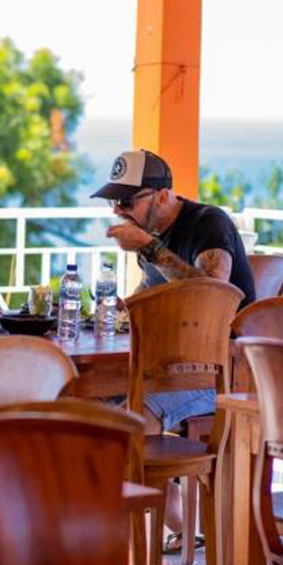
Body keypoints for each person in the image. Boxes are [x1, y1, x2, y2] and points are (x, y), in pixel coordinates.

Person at [95, 148, 255, 433]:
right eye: (114, 202)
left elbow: (213, 296)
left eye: (127, 201)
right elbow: (151, 290)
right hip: (170, 362)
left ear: (162, 196)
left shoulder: (208, 223)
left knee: (124, 424)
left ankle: (138, 477)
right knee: (78, 403)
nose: (118, 210)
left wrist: (149, 247)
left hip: (220, 368)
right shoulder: (151, 233)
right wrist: (123, 308)